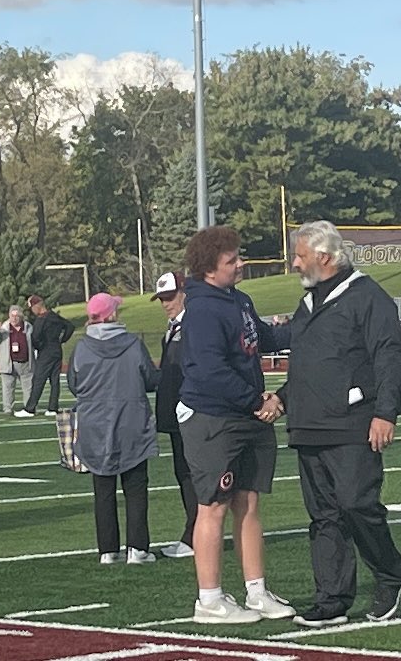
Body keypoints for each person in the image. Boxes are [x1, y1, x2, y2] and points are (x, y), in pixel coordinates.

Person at [275, 220, 401, 628]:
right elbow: (310, 364)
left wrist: (385, 413)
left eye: (300, 255)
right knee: (324, 516)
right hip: (309, 423)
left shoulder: (368, 297)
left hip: (352, 421)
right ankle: (331, 600)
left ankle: (390, 574)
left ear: (324, 257)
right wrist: (281, 399)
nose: (294, 263)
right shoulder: (309, 303)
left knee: (356, 504)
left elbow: (388, 359)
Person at [178, 225, 294, 625]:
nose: (240, 264)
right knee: (213, 507)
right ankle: (208, 599)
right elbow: (210, 370)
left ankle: (257, 591)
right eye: (232, 260)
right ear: (209, 269)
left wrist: (310, 325)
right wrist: (255, 399)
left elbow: (264, 338)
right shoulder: (203, 309)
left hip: (245, 416)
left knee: (249, 502)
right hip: (216, 418)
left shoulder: (237, 299)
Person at [67, 293, 160, 565]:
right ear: (111, 315)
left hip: (95, 424)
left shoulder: (82, 348)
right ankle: (138, 548)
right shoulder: (133, 344)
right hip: (132, 422)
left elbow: (74, 383)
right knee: (136, 487)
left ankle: (108, 549)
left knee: (103, 489)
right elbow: (150, 379)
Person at [151, 271, 197, 559]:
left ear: (184, 293)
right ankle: (192, 533)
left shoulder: (192, 325)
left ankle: (194, 535)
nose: (166, 304)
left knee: (192, 474)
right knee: (183, 473)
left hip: (190, 411)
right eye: (163, 299)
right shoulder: (174, 326)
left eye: (170, 297)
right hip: (175, 412)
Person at [15, 295, 75, 417]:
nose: (32, 310)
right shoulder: (54, 316)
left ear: (37, 306)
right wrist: (62, 340)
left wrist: (39, 347)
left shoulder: (41, 320)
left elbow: (35, 338)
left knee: (38, 379)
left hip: (46, 352)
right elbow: (70, 326)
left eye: (32, 307)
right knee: (54, 380)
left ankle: (30, 408)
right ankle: (53, 408)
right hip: (56, 350)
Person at [0, 305, 34, 414]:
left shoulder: (28, 327)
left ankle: (29, 407)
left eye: (17, 316)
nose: (14, 318)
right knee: (8, 388)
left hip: (26, 362)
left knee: (28, 388)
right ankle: (8, 408)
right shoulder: (4, 328)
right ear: (9, 316)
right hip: (9, 363)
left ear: (21, 316)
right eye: (12, 316)